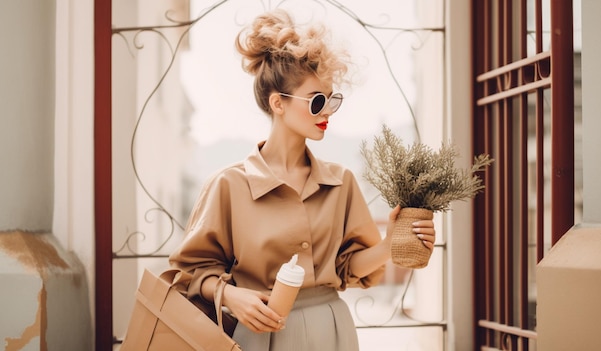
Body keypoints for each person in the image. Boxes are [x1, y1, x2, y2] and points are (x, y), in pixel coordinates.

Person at [169, 8, 436, 351]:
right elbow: (191, 272)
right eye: (316, 101)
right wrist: (231, 296)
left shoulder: (342, 182)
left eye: (331, 100)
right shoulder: (229, 185)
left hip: (332, 331)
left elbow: (348, 267)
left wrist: (389, 245)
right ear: (278, 103)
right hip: (259, 334)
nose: (327, 112)